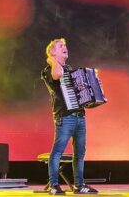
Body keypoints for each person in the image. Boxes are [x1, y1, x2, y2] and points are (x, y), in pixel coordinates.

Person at [41, 38, 98, 195]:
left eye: (65, 45)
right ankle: (54, 185)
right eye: (60, 46)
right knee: (57, 152)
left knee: (80, 153)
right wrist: (51, 59)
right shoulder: (48, 69)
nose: (65, 47)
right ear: (52, 52)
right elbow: (57, 74)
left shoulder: (70, 69)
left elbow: (79, 92)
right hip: (65, 117)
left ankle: (79, 185)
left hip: (79, 116)